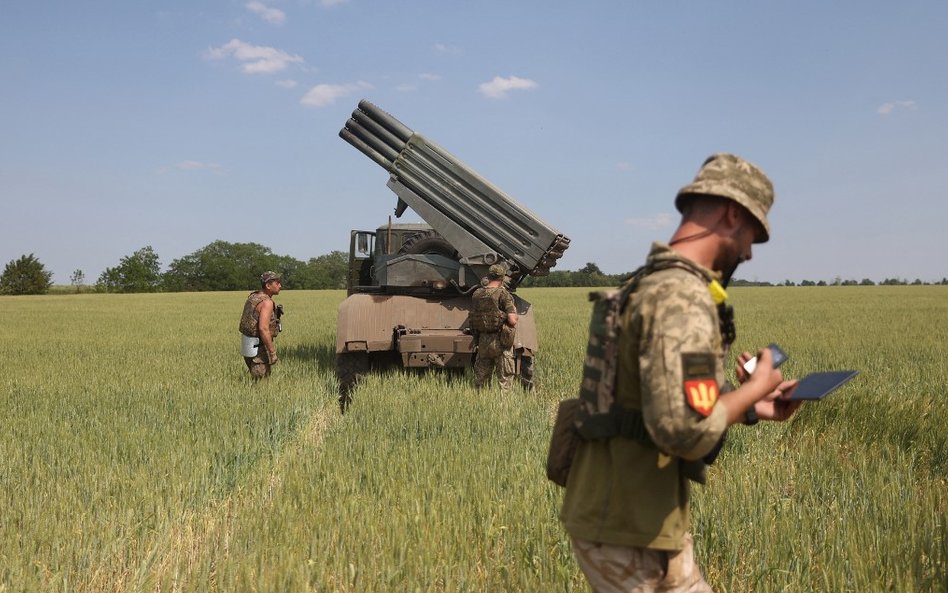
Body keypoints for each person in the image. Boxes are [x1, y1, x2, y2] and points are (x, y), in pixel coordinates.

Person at [559, 153, 803, 593]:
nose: (749, 252)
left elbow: (657, 399)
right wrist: (757, 388)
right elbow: (682, 430)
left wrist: (751, 405)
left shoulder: (652, 279)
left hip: (624, 516)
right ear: (732, 213)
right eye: (752, 235)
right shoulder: (681, 296)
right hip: (630, 528)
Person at [469, 263, 519, 390]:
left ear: (488, 276)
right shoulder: (503, 294)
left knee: (481, 381)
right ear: (502, 278)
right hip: (500, 342)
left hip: (483, 342)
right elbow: (512, 320)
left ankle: (481, 406)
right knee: (505, 381)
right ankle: (504, 409)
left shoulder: (477, 294)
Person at [239, 271, 283, 380]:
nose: (280, 286)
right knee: (261, 384)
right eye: (277, 283)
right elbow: (263, 329)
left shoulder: (253, 297)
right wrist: (272, 352)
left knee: (255, 381)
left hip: (247, 347)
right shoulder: (266, 302)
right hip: (259, 350)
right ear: (268, 285)